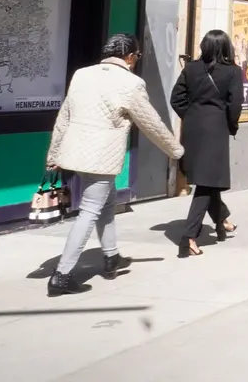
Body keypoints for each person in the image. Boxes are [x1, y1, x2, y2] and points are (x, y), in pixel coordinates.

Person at [44, 34, 183, 296]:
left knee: (107, 204)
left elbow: (64, 116)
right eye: (137, 56)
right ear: (130, 57)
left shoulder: (82, 75)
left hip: (76, 155)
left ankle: (111, 257)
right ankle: (62, 274)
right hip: (101, 158)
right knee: (90, 211)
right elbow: (151, 123)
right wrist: (175, 150)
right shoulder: (130, 83)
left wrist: (53, 153)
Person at [170, 29, 244, 258]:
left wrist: (191, 115)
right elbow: (235, 105)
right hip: (216, 130)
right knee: (205, 183)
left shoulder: (191, 68)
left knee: (207, 179)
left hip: (192, 129)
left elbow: (176, 98)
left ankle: (221, 219)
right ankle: (189, 237)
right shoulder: (232, 71)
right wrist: (230, 124)